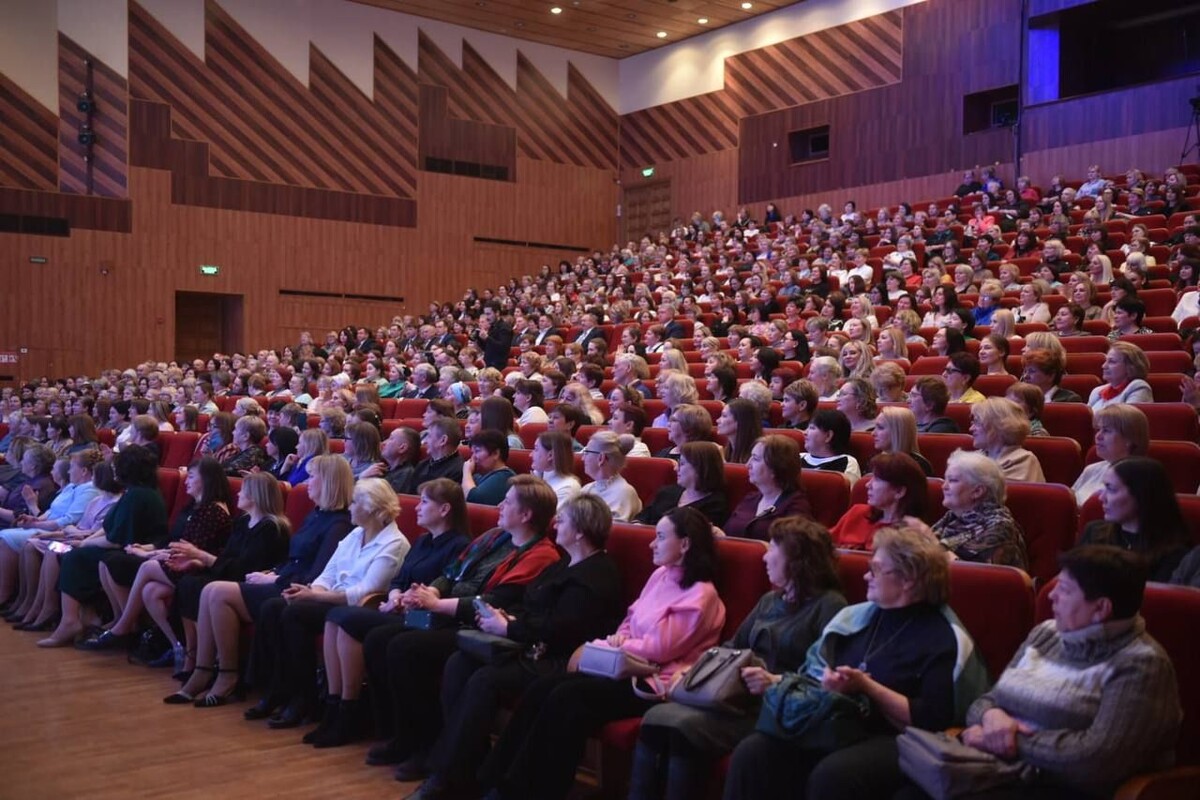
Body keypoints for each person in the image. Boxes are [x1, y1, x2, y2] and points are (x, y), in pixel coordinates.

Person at [723, 524, 988, 800]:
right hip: (839, 720)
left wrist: (866, 687)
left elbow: (933, 718)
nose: (865, 576)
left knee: (834, 775)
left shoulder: (942, 636)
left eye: (874, 569)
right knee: (755, 752)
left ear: (908, 578)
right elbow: (813, 673)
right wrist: (828, 684)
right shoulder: (856, 619)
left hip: (897, 737)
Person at [479, 506, 726, 800]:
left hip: (653, 682)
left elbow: (660, 649)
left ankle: (527, 790)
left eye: (660, 537)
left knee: (568, 698)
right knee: (544, 688)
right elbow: (631, 617)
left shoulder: (702, 594)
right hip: (622, 665)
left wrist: (614, 644)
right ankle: (496, 779)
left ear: (684, 544)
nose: (652, 543)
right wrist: (619, 638)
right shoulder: (661, 575)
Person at [414, 494, 626, 799]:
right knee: (459, 663)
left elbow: (563, 629)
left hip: (558, 657)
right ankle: (467, 769)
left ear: (580, 531)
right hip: (529, 642)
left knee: (486, 679)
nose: (555, 524)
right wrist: (508, 619)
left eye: (563, 521)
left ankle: (446, 777)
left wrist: (510, 626)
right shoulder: (565, 563)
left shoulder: (598, 574)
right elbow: (533, 606)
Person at [630, 517, 847, 800]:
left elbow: (824, 675)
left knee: (682, 727)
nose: (765, 556)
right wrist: (697, 671)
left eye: (774, 549)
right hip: (735, 696)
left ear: (796, 559)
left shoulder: (829, 605)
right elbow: (734, 646)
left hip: (775, 706)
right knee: (656, 718)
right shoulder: (771, 600)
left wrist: (775, 681)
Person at [361, 476, 562, 780]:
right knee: (380, 639)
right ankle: (402, 735)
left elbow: (493, 601)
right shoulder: (495, 536)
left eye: (507, 502)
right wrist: (433, 592)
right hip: (456, 613)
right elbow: (451, 571)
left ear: (526, 515)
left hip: (481, 627)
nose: (500, 505)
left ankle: (426, 744)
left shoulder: (541, 554)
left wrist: (436, 602)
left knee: (405, 648)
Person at [950, 546, 1181, 800]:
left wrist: (1008, 742)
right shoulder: (1046, 633)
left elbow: (1096, 758)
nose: (1052, 596)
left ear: (1101, 609)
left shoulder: (1142, 665)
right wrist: (992, 716)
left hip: (1063, 789)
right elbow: (986, 701)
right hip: (1001, 772)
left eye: (1066, 590)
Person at [248, 477, 410, 729]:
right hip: (331, 597)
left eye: (355, 502)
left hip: (357, 608)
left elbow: (364, 592)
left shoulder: (395, 543)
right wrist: (311, 589)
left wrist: (313, 596)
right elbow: (329, 572)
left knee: (295, 614)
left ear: (372, 509)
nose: (350, 507)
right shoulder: (356, 533)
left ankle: (305, 698)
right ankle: (280, 689)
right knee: (275, 606)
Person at [80, 458, 236, 676]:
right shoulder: (196, 506)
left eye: (191, 477)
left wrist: (150, 553)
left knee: (146, 567)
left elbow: (192, 550)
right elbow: (175, 540)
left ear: (207, 480)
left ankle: (125, 625)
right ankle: (177, 646)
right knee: (150, 591)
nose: (186, 482)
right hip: (181, 561)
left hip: (198, 568)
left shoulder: (213, 511)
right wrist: (149, 549)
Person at [161, 472, 292, 705]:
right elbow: (227, 557)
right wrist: (199, 562)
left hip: (253, 581)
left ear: (256, 496)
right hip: (234, 576)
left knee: (209, 588)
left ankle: (222, 671)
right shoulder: (243, 522)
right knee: (192, 582)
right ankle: (201, 666)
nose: (238, 493)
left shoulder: (272, 528)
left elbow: (246, 568)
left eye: (244, 490)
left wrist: (202, 556)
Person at [39, 445, 167, 647]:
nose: (114, 469)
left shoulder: (138, 495)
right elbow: (109, 529)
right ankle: (90, 617)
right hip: (125, 546)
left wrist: (84, 543)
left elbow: (116, 539)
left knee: (75, 557)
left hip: (135, 550)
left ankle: (71, 621)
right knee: (67, 551)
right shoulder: (136, 492)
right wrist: (85, 541)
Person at [0, 450, 101, 613]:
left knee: (7, 537)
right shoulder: (72, 486)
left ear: (83, 471)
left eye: (72, 467)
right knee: (13, 537)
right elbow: (50, 512)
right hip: (47, 526)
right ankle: (24, 599)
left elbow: (68, 520)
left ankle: (8, 596)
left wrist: (36, 525)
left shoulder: (88, 489)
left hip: (62, 532)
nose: (68, 471)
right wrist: (34, 519)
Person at [1077, 457, 1190, 582]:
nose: (1101, 498)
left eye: (1111, 489)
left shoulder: (1174, 554)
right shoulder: (1094, 532)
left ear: (1141, 495)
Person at [932, 449, 1027, 568]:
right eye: (945, 479)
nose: (944, 486)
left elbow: (979, 580)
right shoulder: (953, 518)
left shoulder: (1000, 528)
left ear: (977, 491)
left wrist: (930, 543)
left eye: (953, 480)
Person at [831, 453, 929, 550]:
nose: (868, 485)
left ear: (899, 491)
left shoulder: (912, 534)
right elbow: (823, 545)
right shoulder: (857, 513)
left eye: (877, 479)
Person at [723, 435, 812, 540]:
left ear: (775, 467)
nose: (747, 465)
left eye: (755, 459)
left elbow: (790, 548)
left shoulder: (796, 507)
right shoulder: (750, 499)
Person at [636, 441, 730, 528]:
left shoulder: (715, 505)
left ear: (699, 468)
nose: (676, 469)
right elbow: (642, 518)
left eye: (682, 464)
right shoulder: (667, 492)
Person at [1071, 404, 1149, 506]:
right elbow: (1068, 505)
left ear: (1129, 439)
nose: (1098, 436)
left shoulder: (1141, 478)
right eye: (1099, 430)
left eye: (1106, 430)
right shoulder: (1091, 469)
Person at [968, 397, 1045, 482]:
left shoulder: (1023, 460)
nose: (971, 429)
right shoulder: (975, 457)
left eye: (977, 422)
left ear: (998, 425)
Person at [579, 430, 643, 521]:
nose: (582, 458)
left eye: (587, 452)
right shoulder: (586, 489)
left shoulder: (624, 492)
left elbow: (612, 532)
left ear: (601, 458)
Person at [801, 409, 861, 483]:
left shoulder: (846, 462)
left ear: (828, 436)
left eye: (812, 428)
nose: (805, 433)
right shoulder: (797, 457)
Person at [1088, 341, 1153, 409]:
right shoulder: (1097, 391)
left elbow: (1129, 418)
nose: (1104, 366)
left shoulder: (1137, 387)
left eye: (1112, 361)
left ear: (1130, 367)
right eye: (1106, 361)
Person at [461, 430, 516, 506]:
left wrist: (467, 471)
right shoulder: (479, 476)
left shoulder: (504, 477)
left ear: (495, 454)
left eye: (477, 451)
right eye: (472, 453)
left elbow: (472, 499)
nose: (473, 458)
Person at [531, 430, 582, 510]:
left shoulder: (568, 487)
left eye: (536, 449)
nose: (531, 455)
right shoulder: (538, 476)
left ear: (550, 455)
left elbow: (548, 519)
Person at [717, 399, 762, 464]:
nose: (718, 420)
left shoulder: (756, 455)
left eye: (724, 416)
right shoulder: (727, 450)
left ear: (740, 421)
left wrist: (722, 462)